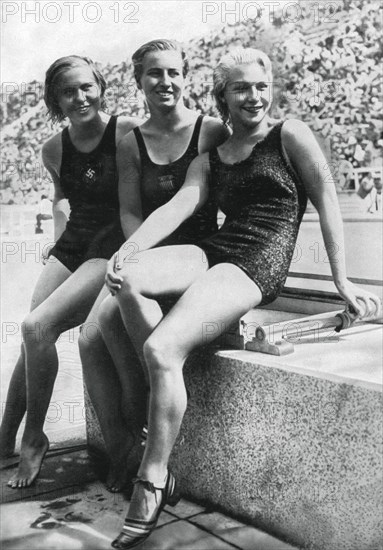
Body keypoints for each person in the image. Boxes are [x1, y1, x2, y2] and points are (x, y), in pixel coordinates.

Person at [104, 48, 382, 549]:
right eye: (240, 88)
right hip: (217, 249)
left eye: (260, 86)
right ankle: (172, 374)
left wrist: (343, 281)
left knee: (160, 348)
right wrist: (127, 250)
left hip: (256, 261)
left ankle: (154, 476)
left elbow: (326, 197)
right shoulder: (211, 157)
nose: (253, 96)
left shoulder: (289, 135)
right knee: (131, 278)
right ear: (222, 97)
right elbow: (179, 204)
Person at [78, 39, 229, 493]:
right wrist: (138, 250)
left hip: (198, 255)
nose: (165, 82)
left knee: (108, 318)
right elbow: (129, 212)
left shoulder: (210, 131)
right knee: (88, 338)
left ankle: (143, 408)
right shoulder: (131, 142)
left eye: (173, 73)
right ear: (139, 80)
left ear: (186, 76)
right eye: (154, 74)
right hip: (149, 251)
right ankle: (124, 445)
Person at [0, 55, 141, 488]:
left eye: (86, 87)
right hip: (74, 244)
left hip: (110, 244)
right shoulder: (52, 148)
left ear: (100, 86)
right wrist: (58, 242)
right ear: (54, 100)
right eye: (68, 91)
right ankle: (6, 436)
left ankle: (34, 438)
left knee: (37, 326)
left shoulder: (126, 132)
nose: (80, 97)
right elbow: (62, 198)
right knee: (32, 337)